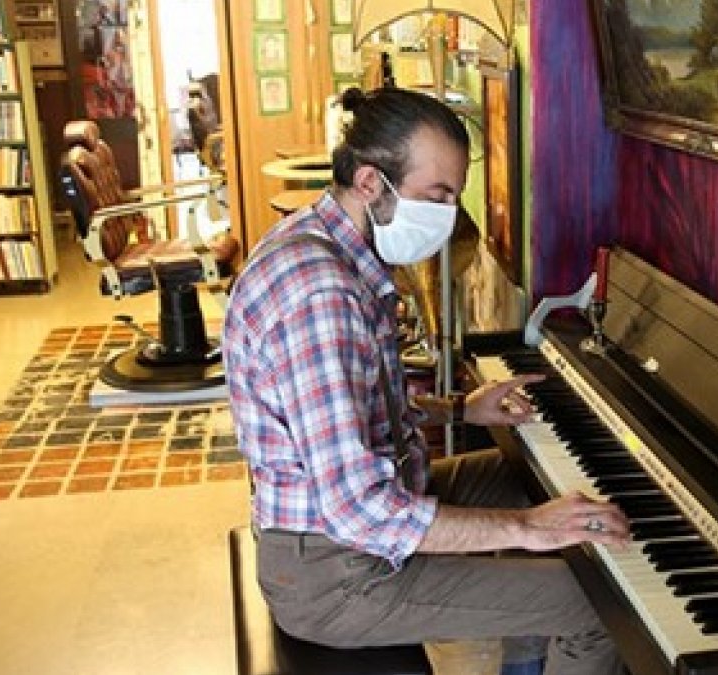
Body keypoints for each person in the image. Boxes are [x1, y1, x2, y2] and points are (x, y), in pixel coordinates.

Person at [221, 86, 630, 674]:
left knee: (532, 480)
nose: (448, 216)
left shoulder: (331, 245)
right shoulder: (320, 294)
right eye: (436, 196)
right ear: (369, 182)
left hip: (351, 522)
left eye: (453, 197)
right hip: (335, 574)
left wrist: (459, 410)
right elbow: (359, 510)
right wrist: (526, 529)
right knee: (598, 606)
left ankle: (524, 659)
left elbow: (357, 409)